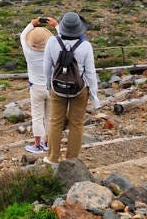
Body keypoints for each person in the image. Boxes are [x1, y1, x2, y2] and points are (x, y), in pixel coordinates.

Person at [43, 12, 100, 165]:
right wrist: (94, 95)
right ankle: (72, 160)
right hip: (79, 90)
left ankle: (52, 158)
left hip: (57, 88)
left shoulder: (52, 42)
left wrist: (49, 86)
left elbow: (46, 67)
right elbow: (90, 72)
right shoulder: (86, 46)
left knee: (55, 122)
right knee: (77, 124)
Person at [19, 16, 58, 153]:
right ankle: (46, 142)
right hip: (52, 86)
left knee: (37, 116)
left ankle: (37, 145)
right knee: (49, 116)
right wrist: (56, 25)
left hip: (35, 86)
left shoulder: (28, 51)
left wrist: (32, 23)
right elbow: (65, 43)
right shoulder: (53, 51)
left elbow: (23, 35)